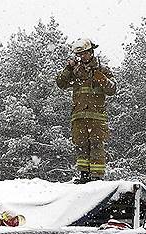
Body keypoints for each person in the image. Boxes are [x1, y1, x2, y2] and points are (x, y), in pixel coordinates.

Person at [56, 38, 117, 183]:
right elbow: (61, 83)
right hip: (78, 115)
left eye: (84, 53)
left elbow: (112, 89)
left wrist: (99, 76)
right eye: (79, 54)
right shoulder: (75, 71)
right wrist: (68, 69)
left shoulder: (102, 70)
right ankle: (84, 175)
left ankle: (96, 176)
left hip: (97, 116)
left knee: (96, 144)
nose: (82, 57)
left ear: (91, 52)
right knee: (81, 145)